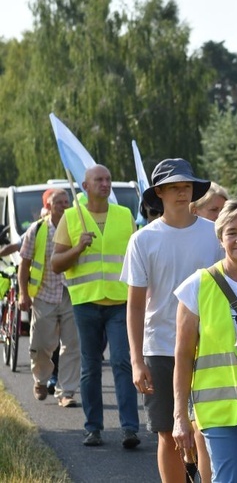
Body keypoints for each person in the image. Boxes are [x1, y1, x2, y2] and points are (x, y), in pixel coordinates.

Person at [123, 158, 224, 482]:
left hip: (210, 347)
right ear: (159, 193)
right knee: (167, 433)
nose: (182, 192)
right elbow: (136, 305)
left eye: (187, 186)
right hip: (161, 348)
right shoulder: (143, 240)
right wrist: (137, 361)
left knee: (204, 430)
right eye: (174, 187)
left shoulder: (216, 234)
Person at [173, 198, 237, 483]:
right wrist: (179, 417)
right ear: (220, 237)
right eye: (232, 232)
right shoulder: (197, 286)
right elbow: (183, 356)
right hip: (221, 411)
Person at [50, 165, 140, 448]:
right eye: (98, 179)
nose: (105, 183)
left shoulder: (125, 216)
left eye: (108, 179)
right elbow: (56, 264)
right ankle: (93, 428)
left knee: (122, 362)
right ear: (85, 187)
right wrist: (77, 248)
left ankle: (129, 429)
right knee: (90, 366)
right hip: (85, 302)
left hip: (119, 302)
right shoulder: (70, 217)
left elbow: (137, 260)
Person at [19, 188, 80, 407]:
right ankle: (41, 379)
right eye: (59, 203)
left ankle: (66, 392)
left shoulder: (76, 227)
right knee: (42, 344)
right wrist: (23, 294)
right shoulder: (36, 230)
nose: (64, 206)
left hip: (71, 294)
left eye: (67, 202)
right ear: (48, 207)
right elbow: (24, 265)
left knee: (72, 345)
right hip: (44, 295)